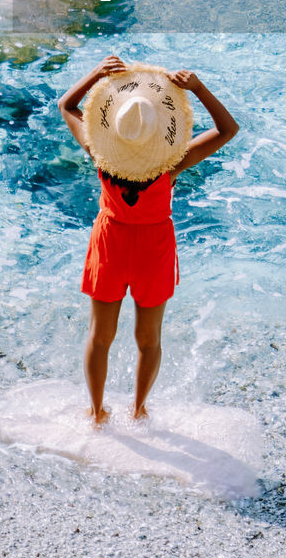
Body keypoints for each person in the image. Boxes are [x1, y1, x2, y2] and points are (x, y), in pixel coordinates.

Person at [58, 55, 239, 426]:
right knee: (149, 338)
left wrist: (96, 74)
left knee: (99, 335)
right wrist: (199, 89)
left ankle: (96, 413)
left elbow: (67, 106)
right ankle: (139, 409)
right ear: (159, 133)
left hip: (110, 242)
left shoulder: (100, 152)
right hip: (153, 246)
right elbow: (227, 130)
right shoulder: (170, 164)